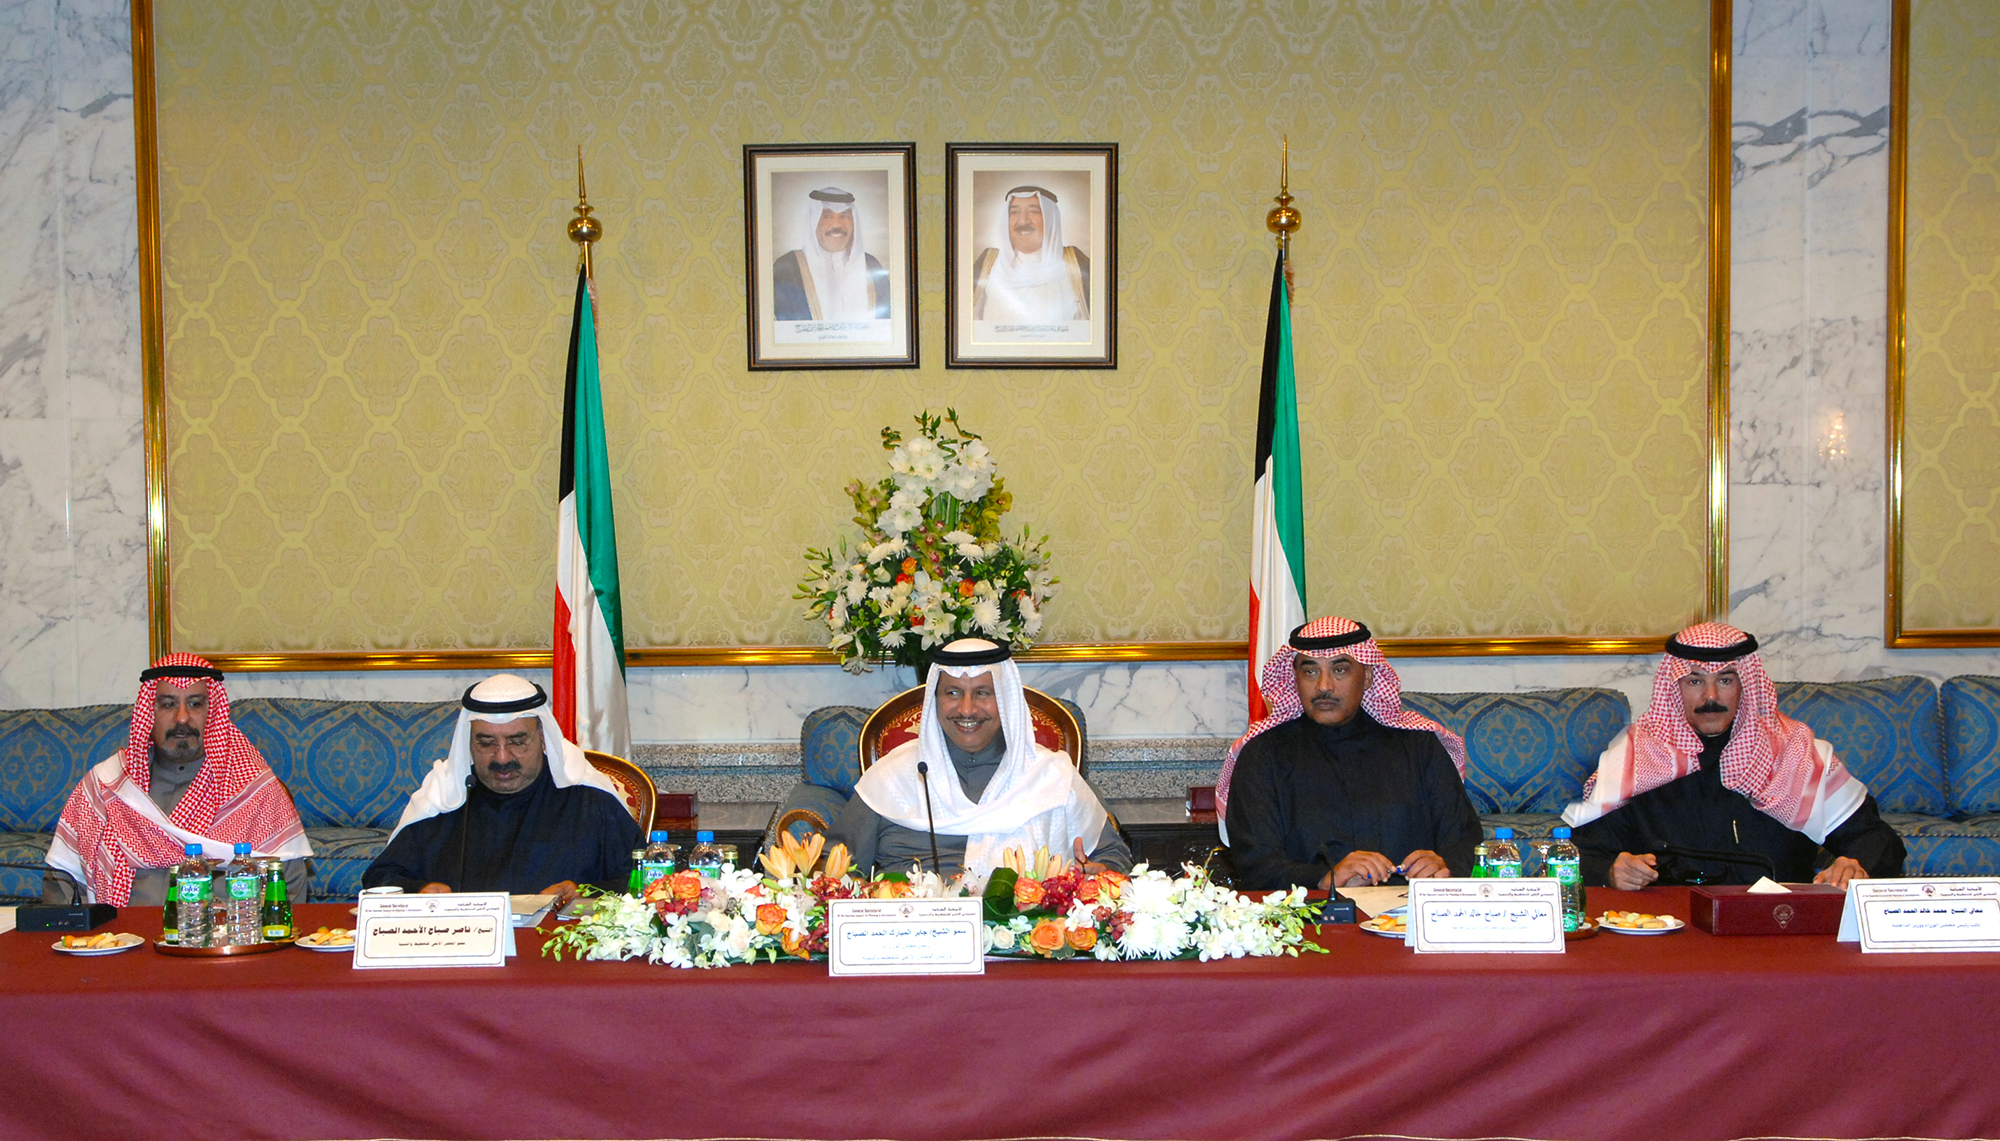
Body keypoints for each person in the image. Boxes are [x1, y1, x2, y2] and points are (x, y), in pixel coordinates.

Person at [1564, 622, 1906, 888]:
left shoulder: (1797, 754)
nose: (1711, 696)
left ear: (1746, 685)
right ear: (1674, 688)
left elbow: (1877, 840)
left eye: (1725, 680)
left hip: (1775, 931)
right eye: (1695, 682)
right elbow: (1580, 855)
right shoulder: (1636, 759)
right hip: (1667, 930)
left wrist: (1854, 863)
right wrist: (1611, 871)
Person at [832, 638, 1130, 881]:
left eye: (982, 693)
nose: (967, 710)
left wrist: (1099, 874)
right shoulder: (892, 777)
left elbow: (1113, 859)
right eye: (952, 693)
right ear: (934, 700)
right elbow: (834, 867)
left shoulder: (1050, 775)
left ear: (1005, 700)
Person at [1221, 617, 1481, 892]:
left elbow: (1464, 839)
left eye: (1340, 670)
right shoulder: (1262, 755)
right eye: (1310, 672)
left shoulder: (1419, 746)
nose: (1323, 687)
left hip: (1409, 914)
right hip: (1309, 918)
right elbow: (1255, 864)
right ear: (1294, 678)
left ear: (1368, 676)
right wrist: (1323, 878)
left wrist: (1443, 866)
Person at [44, 654, 312, 905]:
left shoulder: (254, 791)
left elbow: (291, 888)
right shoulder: (105, 786)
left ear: (213, 712)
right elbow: (62, 881)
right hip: (123, 941)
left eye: (195, 704)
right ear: (149, 712)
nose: (182, 717)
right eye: (168, 704)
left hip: (221, 945)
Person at [363, 674, 640, 898]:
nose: (502, 757)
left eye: (517, 741)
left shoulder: (589, 801)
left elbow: (646, 879)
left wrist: (585, 893)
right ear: (468, 743)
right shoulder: (445, 799)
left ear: (543, 738)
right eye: (486, 743)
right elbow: (380, 878)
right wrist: (420, 890)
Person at [972, 185, 1090, 323]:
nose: (1023, 221)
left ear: (1050, 219)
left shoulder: (1075, 263)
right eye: (1014, 212)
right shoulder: (988, 263)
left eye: (1034, 211)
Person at [772, 186, 891, 321]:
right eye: (827, 216)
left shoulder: (871, 265)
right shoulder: (787, 268)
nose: (837, 225)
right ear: (813, 221)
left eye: (845, 216)